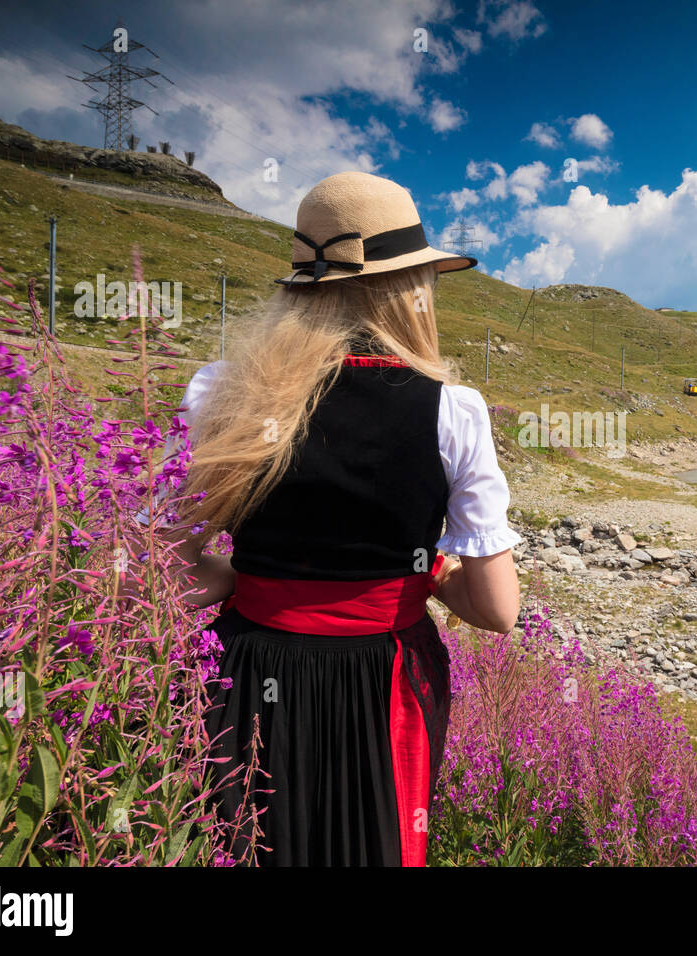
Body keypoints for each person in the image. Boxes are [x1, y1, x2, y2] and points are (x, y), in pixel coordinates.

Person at [142, 170, 521, 866]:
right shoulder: (451, 410)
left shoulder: (221, 393)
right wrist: (429, 572)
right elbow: (497, 610)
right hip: (386, 681)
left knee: (251, 846)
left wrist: (242, 577)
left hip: (247, 668)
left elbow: (171, 567)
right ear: (410, 290)